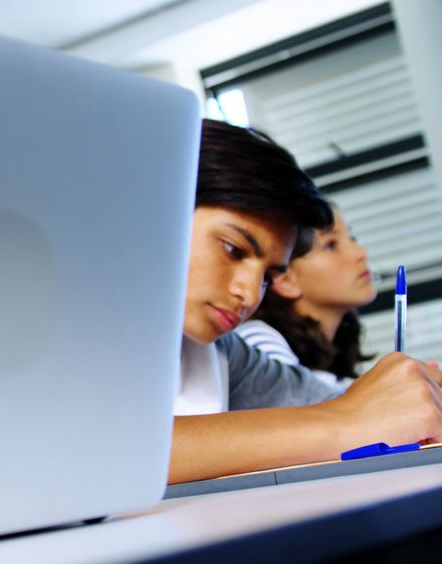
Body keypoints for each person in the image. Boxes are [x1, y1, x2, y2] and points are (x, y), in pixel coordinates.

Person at [169, 119, 442, 484]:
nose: (249, 295)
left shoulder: (223, 355)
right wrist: (345, 422)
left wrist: (410, 402)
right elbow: (101, 445)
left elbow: (322, 403)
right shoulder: (69, 318)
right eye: (233, 250)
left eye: (267, 276)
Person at [235, 205, 376, 389]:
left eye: (352, 238)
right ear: (285, 280)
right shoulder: (256, 345)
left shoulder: (330, 377)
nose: (360, 253)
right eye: (330, 245)